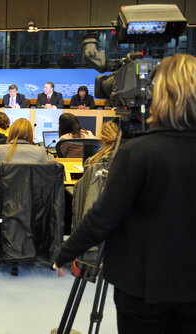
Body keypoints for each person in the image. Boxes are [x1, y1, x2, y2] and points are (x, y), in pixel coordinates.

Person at [53, 53, 196, 334]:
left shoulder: (138, 152)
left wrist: (66, 252)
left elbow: (104, 217)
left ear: (159, 95)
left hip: (142, 287)